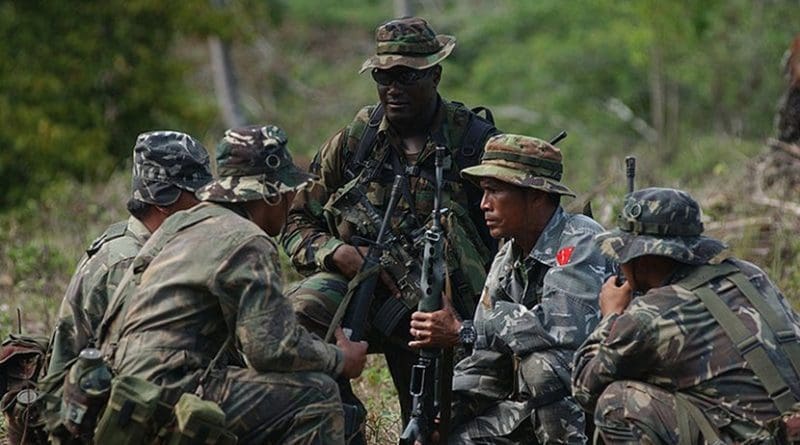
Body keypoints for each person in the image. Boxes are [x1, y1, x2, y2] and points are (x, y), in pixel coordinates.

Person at [280, 16, 499, 425]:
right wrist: (337, 252)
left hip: (446, 315)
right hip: (364, 297)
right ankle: (337, 422)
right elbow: (295, 224)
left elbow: (515, 245)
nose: (392, 88)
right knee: (298, 313)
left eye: (405, 76)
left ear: (435, 74)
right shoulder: (355, 142)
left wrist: (473, 324)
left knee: (435, 427)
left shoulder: (474, 145)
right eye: (382, 76)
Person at [98, 125, 369, 444]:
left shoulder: (180, 225)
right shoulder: (247, 239)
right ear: (269, 193)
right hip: (169, 392)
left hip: (122, 394)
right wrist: (341, 359)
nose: (291, 199)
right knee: (318, 394)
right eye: (286, 191)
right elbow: (270, 350)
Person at [572, 187, 800, 444]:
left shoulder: (651, 314)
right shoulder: (749, 275)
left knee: (617, 401)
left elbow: (584, 388)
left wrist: (611, 316)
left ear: (641, 259)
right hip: (790, 427)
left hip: (757, 438)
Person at [439, 134, 613, 444]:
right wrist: (448, 409)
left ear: (535, 195)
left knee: (543, 366)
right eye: (483, 192)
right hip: (538, 401)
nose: (483, 205)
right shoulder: (508, 256)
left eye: (495, 191)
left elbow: (560, 328)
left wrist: (467, 330)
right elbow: (487, 356)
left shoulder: (581, 240)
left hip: (602, 399)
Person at [46, 130, 213, 380]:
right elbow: (139, 363)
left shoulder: (136, 241)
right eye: (197, 195)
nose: (205, 206)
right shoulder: (129, 264)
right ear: (164, 202)